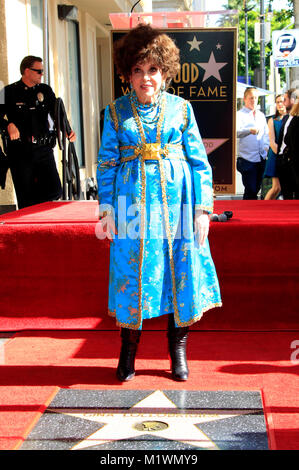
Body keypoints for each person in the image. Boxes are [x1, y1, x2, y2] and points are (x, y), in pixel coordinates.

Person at [96, 24, 222, 383]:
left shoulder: (182, 110)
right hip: (131, 209)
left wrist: (202, 209)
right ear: (127, 74)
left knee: (178, 274)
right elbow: (106, 163)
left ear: (164, 72)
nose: (145, 78)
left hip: (179, 206)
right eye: (137, 70)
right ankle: (128, 350)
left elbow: (199, 163)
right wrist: (107, 209)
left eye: (152, 69)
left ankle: (177, 351)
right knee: (132, 275)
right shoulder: (115, 112)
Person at [0, 55, 76, 209]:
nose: (42, 74)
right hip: (21, 153)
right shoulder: (8, 91)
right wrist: (8, 125)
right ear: (26, 71)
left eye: (42, 71)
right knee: (27, 199)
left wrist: (67, 130)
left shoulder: (45, 91)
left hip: (44, 150)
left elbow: (57, 113)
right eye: (38, 71)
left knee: (53, 193)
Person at [236, 87, 270, 199]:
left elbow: (266, 133)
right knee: (250, 189)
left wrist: (266, 147)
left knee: (256, 189)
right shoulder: (239, 115)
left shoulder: (260, 115)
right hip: (247, 158)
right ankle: (248, 212)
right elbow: (235, 132)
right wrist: (249, 130)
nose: (254, 100)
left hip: (260, 157)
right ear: (244, 99)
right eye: (251, 98)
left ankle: (252, 211)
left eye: (256, 98)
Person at [263, 94, 286, 200]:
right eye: (278, 102)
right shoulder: (272, 120)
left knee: (283, 187)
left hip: (287, 156)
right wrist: (282, 155)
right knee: (276, 187)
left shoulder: (292, 118)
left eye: (282, 101)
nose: (280, 104)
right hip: (276, 155)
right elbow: (271, 141)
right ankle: (263, 207)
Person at [276, 96, 299, 199]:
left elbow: (287, 139)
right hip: (289, 160)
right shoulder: (290, 119)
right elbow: (286, 139)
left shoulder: (294, 120)